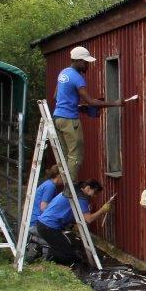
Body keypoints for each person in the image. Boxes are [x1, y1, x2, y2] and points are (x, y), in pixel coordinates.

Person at [52, 46, 130, 180]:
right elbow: (91, 101)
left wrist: (76, 106)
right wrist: (116, 103)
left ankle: (63, 181)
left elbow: (56, 96)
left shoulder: (63, 73)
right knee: (76, 155)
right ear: (78, 61)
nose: (87, 65)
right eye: (85, 62)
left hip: (58, 118)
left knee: (65, 154)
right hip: (70, 120)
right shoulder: (77, 78)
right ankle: (70, 186)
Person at [35, 178, 110, 266]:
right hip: (49, 226)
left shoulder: (73, 190)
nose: (95, 196)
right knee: (68, 253)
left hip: (44, 223)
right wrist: (102, 210)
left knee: (64, 248)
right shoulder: (81, 198)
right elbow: (88, 219)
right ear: (88, 188)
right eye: (95, 193)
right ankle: (46, 259)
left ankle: (46, 257)